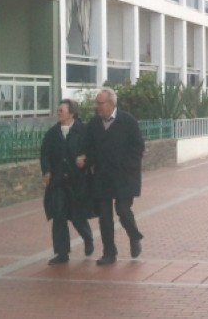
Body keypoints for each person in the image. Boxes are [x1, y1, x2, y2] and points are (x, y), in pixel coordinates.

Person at [82, 87, 145, 266]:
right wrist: (85, 160)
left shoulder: (128, 121)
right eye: (96, 103)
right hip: (102, 177)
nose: (97, 107)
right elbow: (88, 148)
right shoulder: (94, 124)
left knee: (123, 211)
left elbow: (138, 147)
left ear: (110, 103)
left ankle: (134, 236)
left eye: (100, 103)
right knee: (104, 217)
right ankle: (109, 252)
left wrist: (128, 165)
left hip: (125, 177)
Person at [41, 99, 94, 265]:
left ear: (71, 113)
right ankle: (62, 253)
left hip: (77, 181)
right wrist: (47, 171)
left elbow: (92, 151)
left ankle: (88, 238)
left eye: (61, 111)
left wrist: (85, 159)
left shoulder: (83, 131)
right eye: (58, 111)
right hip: (58, 182)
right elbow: (44, 154)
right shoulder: (52, 133)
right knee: (59, 216)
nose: (58, 113)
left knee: (77, 216)